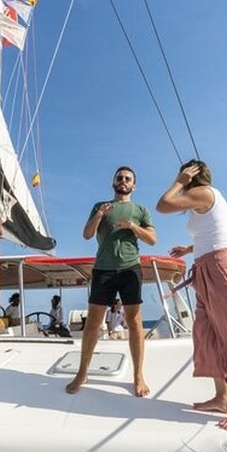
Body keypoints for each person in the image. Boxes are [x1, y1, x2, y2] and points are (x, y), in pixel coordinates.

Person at [156, 159, 227, 431]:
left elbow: (162, 205)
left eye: (186, 173)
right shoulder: (205, 199)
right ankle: (222, 398)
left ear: (193, 174)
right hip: (206, 268)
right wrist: (190, 249)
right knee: (206, 333)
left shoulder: (203, 192)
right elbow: (213, 231)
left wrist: (179, 181)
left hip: (221, 270)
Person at [65, 166, 157, 396]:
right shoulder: (100, 207)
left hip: (130, 269)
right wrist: (99, 215)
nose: (123, 181)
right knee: (94, 322)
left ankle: (138, 376)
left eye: (128, 179)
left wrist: (133, 226)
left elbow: (153, 240)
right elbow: (87, 235)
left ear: (133, 185)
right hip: (103, 270)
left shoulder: (140, 210)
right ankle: (82, 373)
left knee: (135, 322)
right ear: (113, 182)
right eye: (120, 178)